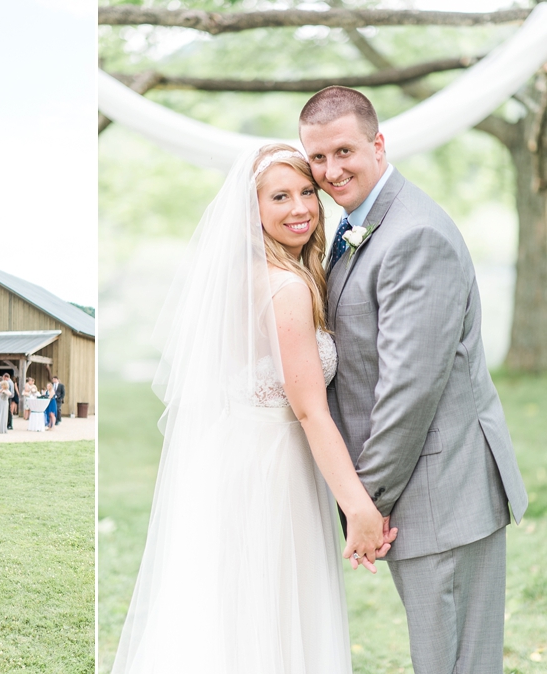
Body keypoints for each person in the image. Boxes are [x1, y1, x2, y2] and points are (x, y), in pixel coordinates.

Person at [110, 145, 398, 673]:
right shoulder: (285, 288)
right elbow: (310, 410)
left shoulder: (243, 278)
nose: (301, 208)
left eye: (308, 192)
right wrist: (359, 508)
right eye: (280, 197)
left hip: (232, 456)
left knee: (231, 617)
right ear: (251, 209)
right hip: (271, 471)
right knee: (270, 618)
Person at [298, 86, 528, 672]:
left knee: (456, 663)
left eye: (344, 151)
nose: (330, 170)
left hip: (444, 490)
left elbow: (409, 391)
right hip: (425, 487)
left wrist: (364, 505)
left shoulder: (413, 235)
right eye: (317, 158)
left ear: (378, 143)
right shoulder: (359, 224)